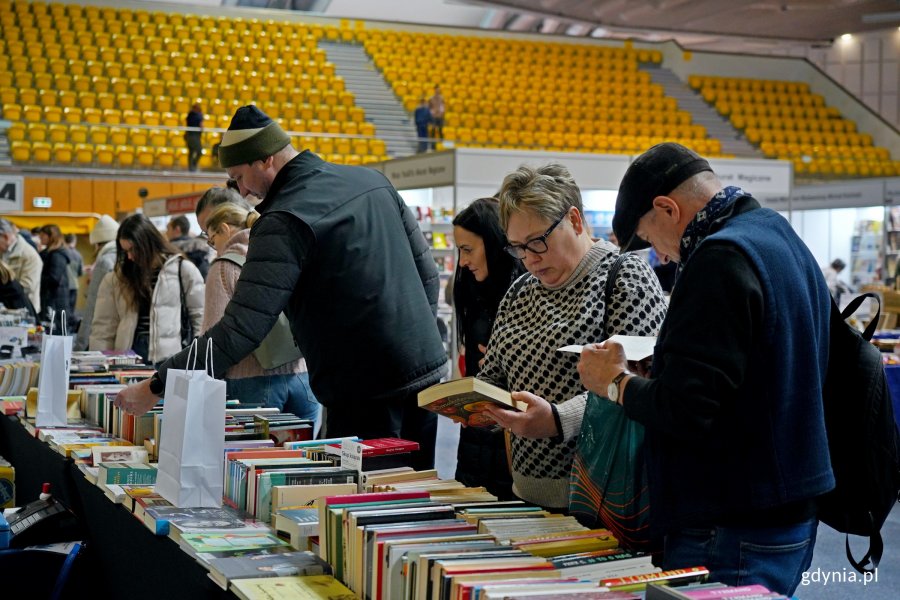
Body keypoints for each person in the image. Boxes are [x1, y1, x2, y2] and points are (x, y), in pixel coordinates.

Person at [113, 105, 447, 470]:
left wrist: (156, 385)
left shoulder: (282, 219)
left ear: (266, 159)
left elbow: (240, 329)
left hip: (362, 393)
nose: (242, 191)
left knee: (367, 500)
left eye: (239, 177)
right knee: (415, 491)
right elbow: (427, 274)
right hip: (424, 375)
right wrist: (411, 344)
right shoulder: (372, 180)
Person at [576, 143, 832, 596]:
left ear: (667, 208)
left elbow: (687, 409)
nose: (661, 256)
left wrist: (614, 382)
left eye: (651, 239)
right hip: (786, 502)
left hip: (731, 518)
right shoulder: (775, 233)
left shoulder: (718, 258)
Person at [472, 163, 667, 509]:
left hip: (604, 498)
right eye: (518, 247)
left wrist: (558, 421)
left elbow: (639, 385)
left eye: (538, 242)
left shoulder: (625, 277)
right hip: (525, 493)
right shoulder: (520, 291)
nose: (529, 259)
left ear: (574, 220)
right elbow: (495, 373)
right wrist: (476, 404)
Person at [202, 199, 321, 431]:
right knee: (305, 453)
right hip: (303, 377)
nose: (214, 247)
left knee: (256, 453)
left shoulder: (224, 266)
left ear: (225, 229)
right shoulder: (285, 251)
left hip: (252, 384)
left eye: (212, 240)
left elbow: (214, 337)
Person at [450, 197, 526, 500]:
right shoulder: (470, 288)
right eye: (459, 250)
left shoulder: (526, 291)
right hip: (477, 432)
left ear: (494, 243)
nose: (462, 261)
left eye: (468, 250)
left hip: (513, 437)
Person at [89, 214, 204, 365]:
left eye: (133, 250)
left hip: (170, 359)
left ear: (148, 244)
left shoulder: (183, 270)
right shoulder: (117, 279)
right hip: (128, 359)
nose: (129, 257)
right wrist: (99, 364)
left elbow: (200, 316)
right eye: (125, 251)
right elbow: (104, 327)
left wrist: (199, 357)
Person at [74, 215, 120, 351]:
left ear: (97, 244)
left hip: (103, 333)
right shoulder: (127, 256)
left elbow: (92, 305)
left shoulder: (105, 262)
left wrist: (80, 345)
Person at [0, 219, 42, 314]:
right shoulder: (3, 251)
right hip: (7, 308)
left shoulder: (29, 255)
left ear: (6, 237)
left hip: (24, 310)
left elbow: (28, 286)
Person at [37, 224, 72, 328]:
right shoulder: (50, 252)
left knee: (53, 330)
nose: (40, 237)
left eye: (42, 235)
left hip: (54, 301)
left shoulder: (57, 254)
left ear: (51, 236)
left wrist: (37, 279)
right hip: (52, 298)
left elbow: (54, 278)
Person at [167, 215, 211, 280]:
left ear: (177, 229)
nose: (166, 232)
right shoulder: (202, 246)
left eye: (168, 229)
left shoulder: (169, 250)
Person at [64, 233, 84, 313]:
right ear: (74, 241)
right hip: (74, 285)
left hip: (63, 286)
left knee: (63, 310)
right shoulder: (78, 255)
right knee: (71, 310)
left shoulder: (62, 252)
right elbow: (80, 272)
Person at [185, 103, 204, 171]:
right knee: (199, 151)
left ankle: (191, 167)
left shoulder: (190, 114)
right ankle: (193, 165)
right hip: (193, 136)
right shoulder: (198, 115)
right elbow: (201, 126)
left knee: (191, 152)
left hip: (190, 135)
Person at [428, 84, 445, 150]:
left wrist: (441, 112)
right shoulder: (431, 98)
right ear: (434, 90)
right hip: (434, 117)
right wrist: (432, 113)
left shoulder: (441, 98)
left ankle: (442, 144)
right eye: (436, 89)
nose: (438, 91)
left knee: (440, 130)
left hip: (440, 116)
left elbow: (442, 106)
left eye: (438, 89)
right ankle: (432, 145)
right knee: (433, 130)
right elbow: (429, 107)